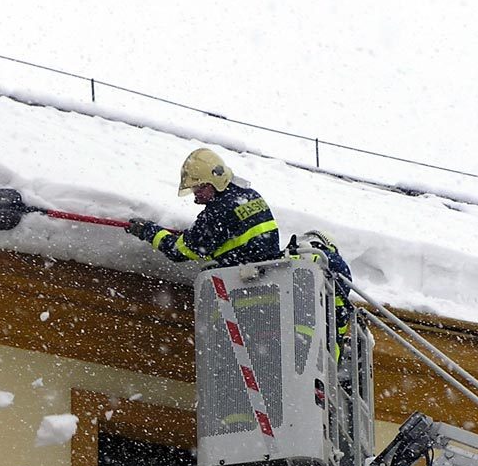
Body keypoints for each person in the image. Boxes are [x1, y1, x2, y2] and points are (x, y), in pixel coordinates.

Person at [126, 148, 281, 267]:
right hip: (268, 273)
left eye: (200, 187)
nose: (196, 193)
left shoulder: (216, 213)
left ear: (215, 183)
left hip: (240, 282)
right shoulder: (250, 194)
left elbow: (178, 251)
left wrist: (147, 231)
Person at [287, 229, 353, 360]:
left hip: (315, 343)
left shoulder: (331, 263)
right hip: (309, 341)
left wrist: (299, 257)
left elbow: (332, 262)